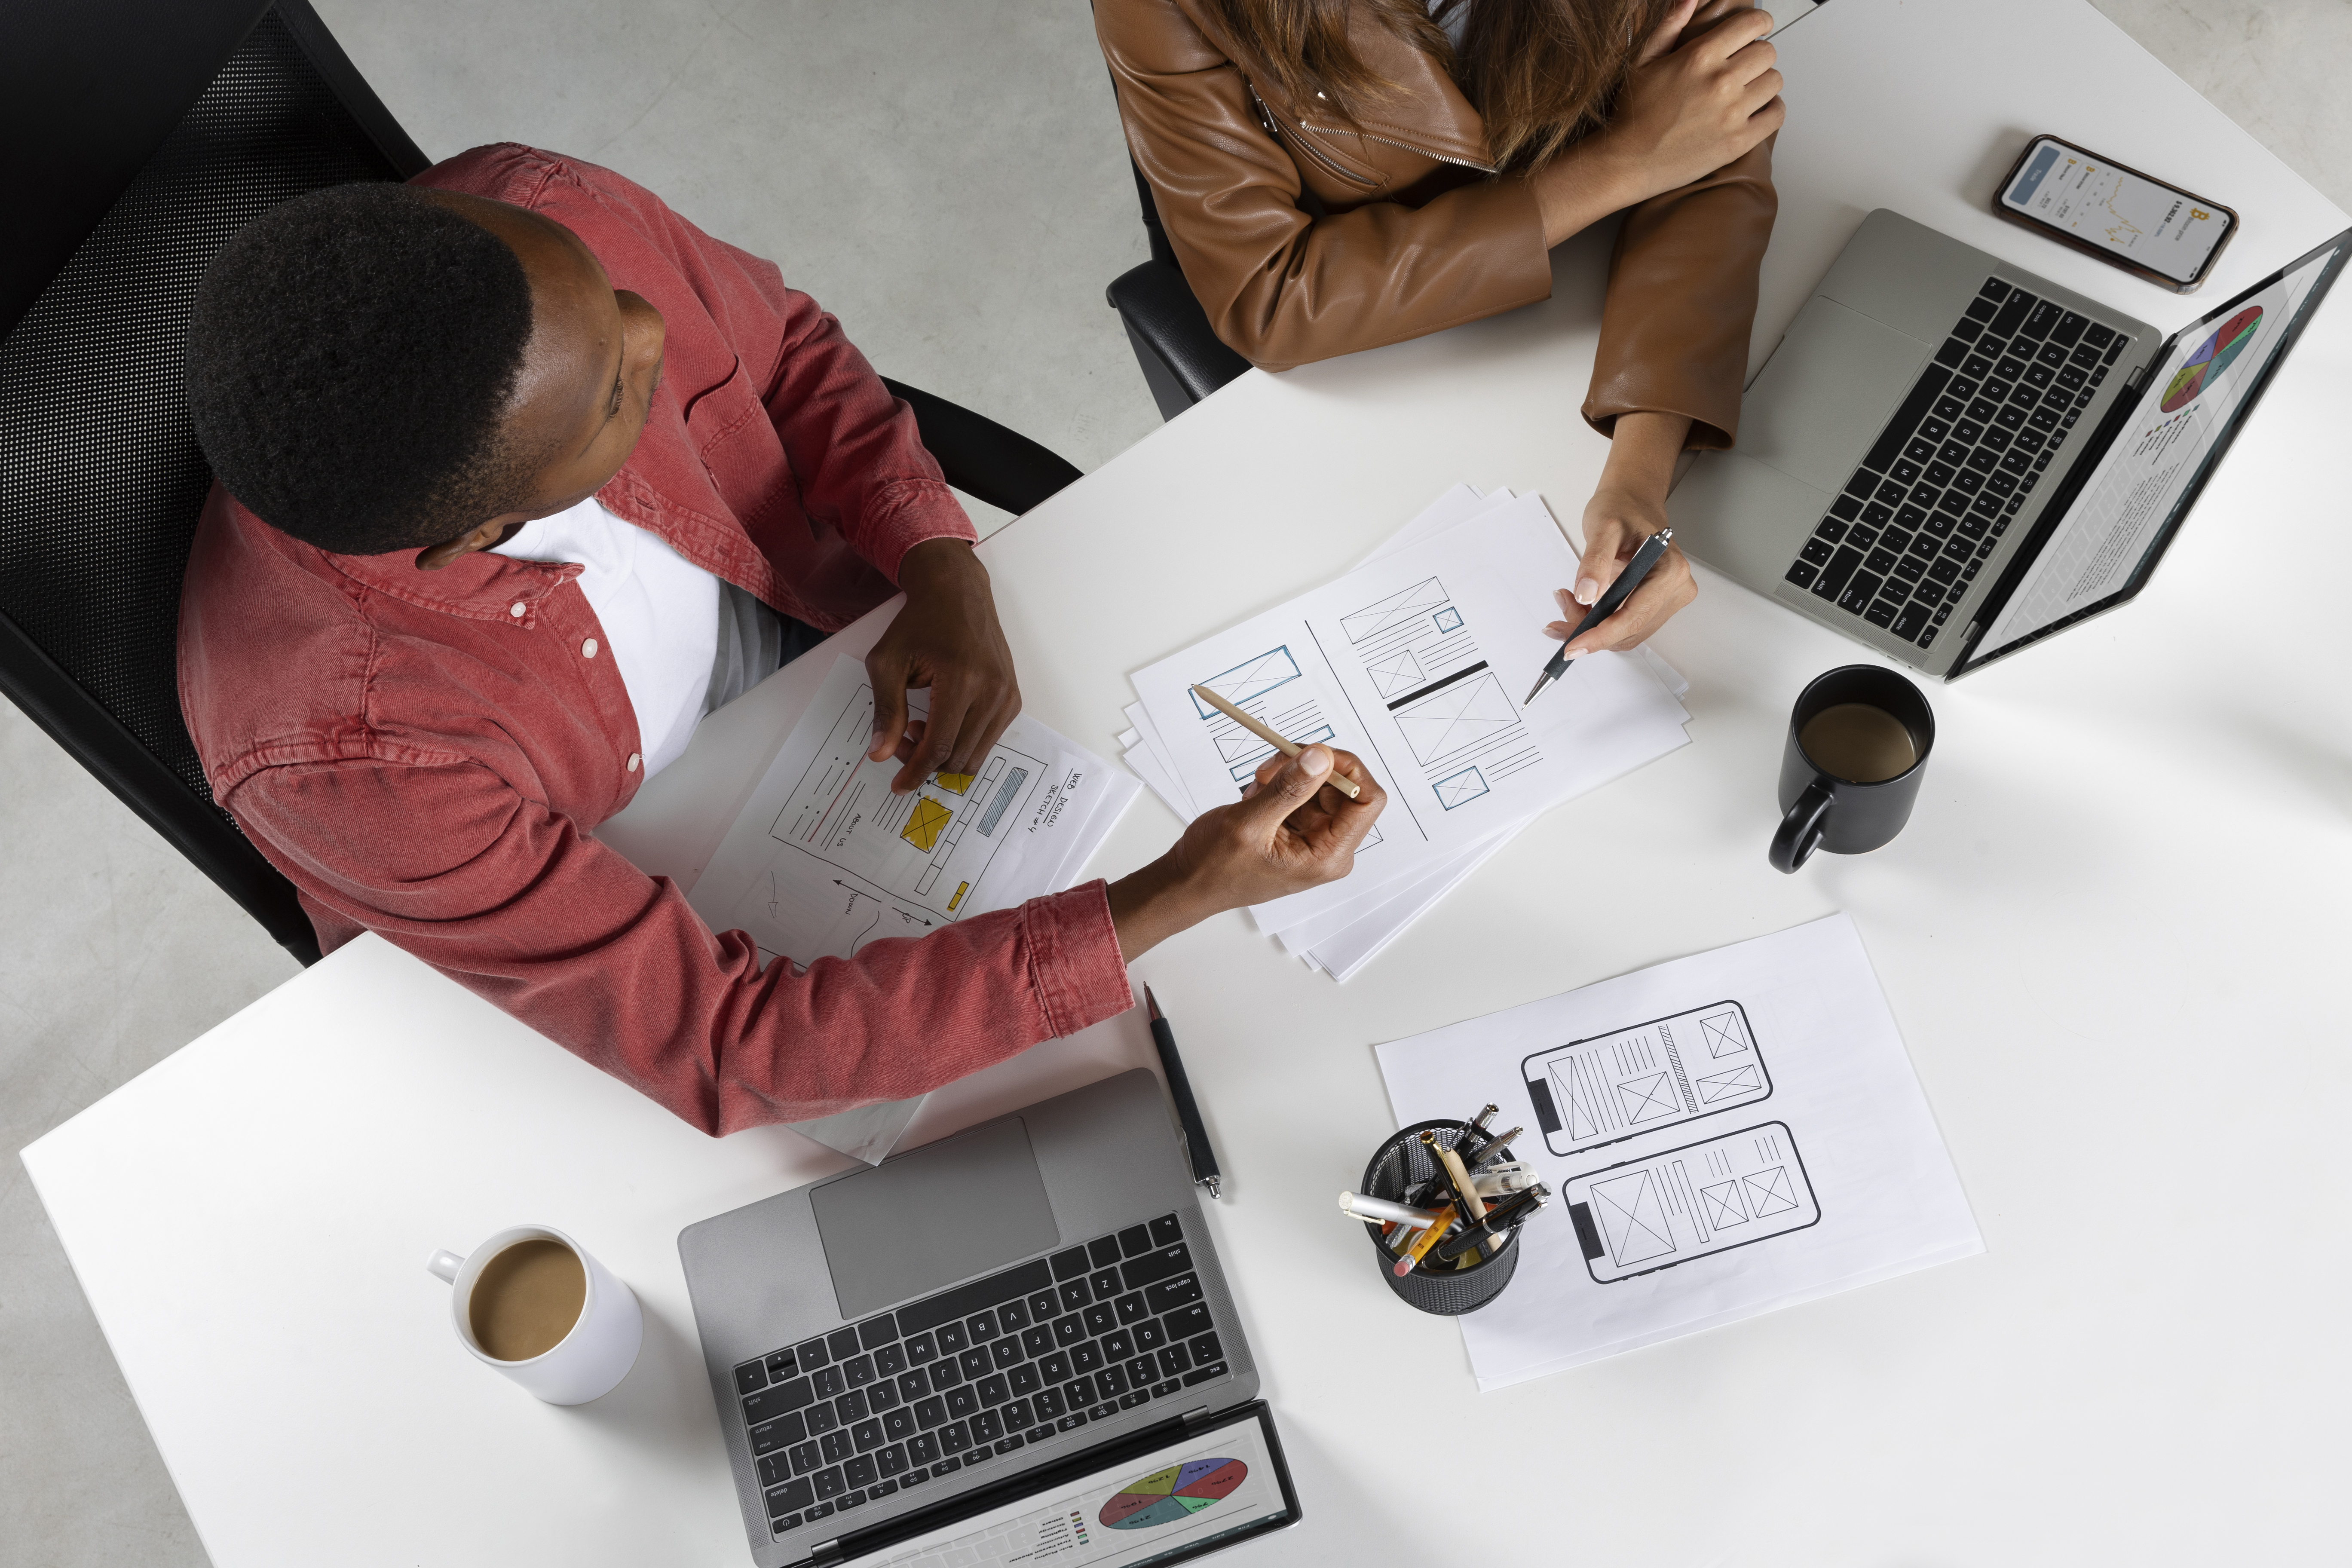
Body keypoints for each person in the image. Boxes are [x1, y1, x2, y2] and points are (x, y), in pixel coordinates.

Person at [178, 144, 1384, 1136]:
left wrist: (938, 561)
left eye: (609, 296)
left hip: (804, 630)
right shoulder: (349, 760)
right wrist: (1180, 891)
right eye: (614, 399)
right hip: (610, 879)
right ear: (480, 532)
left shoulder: (539, 209)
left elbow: (787, 352)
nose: (647, 331)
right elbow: (734, 1048)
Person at [1096, 0, 1783, 656]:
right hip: (1380, 375)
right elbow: (1271, 293)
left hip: (1568, 328)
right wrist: (1619, 164)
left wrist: (1637, 477)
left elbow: (1710, 126)